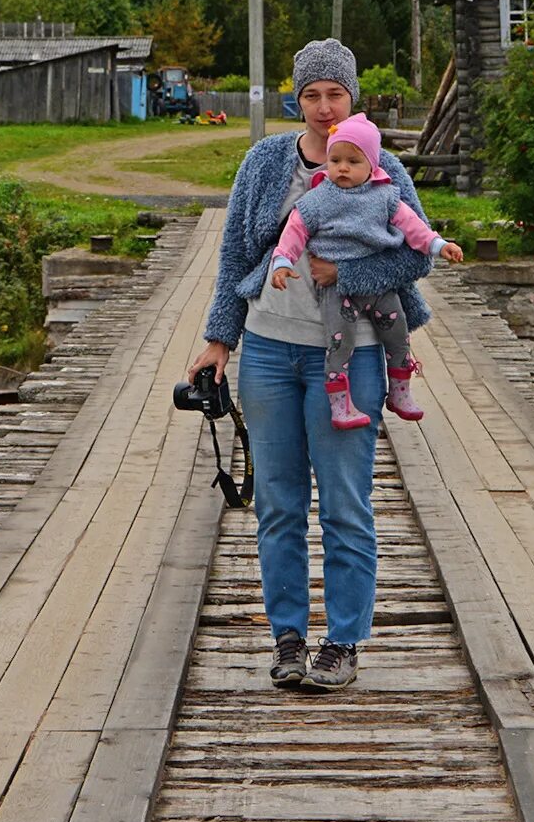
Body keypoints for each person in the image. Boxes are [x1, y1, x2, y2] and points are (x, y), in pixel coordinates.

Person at [187, 38, 434, 692]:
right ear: (296, 101)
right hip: (268, 349)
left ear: (353, 98)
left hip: (348, 352)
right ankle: (288, 637)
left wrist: (345, 270)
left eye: (336, 94)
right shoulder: (265, 163)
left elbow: (418, 257)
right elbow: (234, 256)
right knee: (278, 503)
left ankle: (344, 642)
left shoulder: (386, 172)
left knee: (346, 505)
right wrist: (220, 339)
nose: (325, 109)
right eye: (313, 96)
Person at [269, 113, 463, 428]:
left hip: (379, 287)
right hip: (337, 290)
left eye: (352, 161)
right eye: (335, 160)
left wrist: (439, 245)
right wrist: (282, 261)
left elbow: (415, 229)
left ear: (372, 165)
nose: (342, 168)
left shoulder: (386, 197)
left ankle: (399, 391)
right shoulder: (318, 199)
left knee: (398, 333)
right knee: (339, 342)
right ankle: (340, 404)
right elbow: (294, 231)